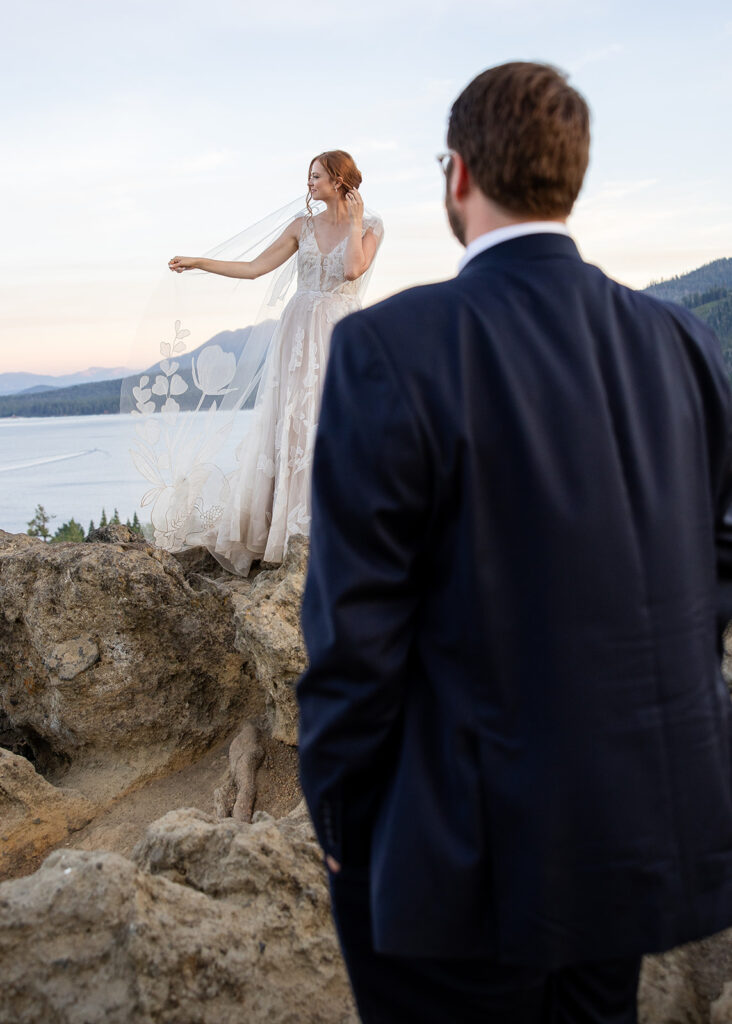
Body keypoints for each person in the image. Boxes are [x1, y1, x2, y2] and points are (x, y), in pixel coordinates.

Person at [297, 62, 732, 1023]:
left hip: (457, 855)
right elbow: (714, 568)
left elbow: (354, 632)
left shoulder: (390, 349)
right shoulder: (683, 343)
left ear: (458, 175)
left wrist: (336, 815)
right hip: (629, 836)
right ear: (569, 177)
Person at [157, 150, 382, 574]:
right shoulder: (301, 226)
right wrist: (200, 262)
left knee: (336, 422)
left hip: (340, 334)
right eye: (309, 176)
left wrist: (354, 223)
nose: (309, 183)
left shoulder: (370, 227)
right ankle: (285, 532)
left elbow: (353, 271)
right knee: (293, 424)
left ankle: (334, 527)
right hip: (297, 334)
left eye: (316, 176)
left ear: (338, 181)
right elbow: (255, 268)